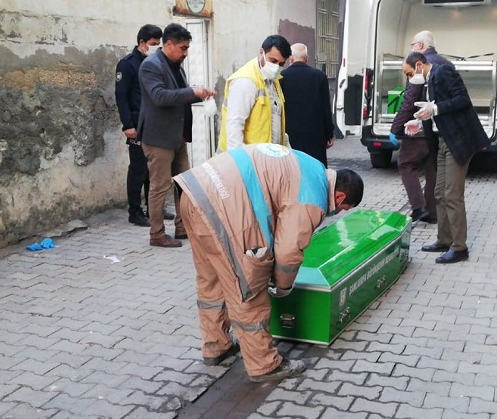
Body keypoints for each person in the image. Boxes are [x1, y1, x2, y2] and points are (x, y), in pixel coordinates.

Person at [173, 144, 364, 382]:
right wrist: (283, 287)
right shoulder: (313, 197)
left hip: (193, 193)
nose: (339, 211)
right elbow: (288, 251)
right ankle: (264, 364)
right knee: (250, 288)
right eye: (344, 208)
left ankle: (216, 346)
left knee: (211, 280)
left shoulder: (311, 166)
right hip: (226, 208)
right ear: (340, 196)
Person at [405, 51, 489, 264]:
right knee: (439, 192)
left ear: (418, 65)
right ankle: (444, 239)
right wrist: (419, 122)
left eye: (408, 73)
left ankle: (460, 247)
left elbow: (462, 100)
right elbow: (432, 112)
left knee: (452, 194)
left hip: (457, 141)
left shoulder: (443, 72)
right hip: (442, 141)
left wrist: (436, 108)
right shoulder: (429, 80)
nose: (409, 79)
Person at [138, 23, 217, 248]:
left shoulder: (176, 65)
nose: (186, 53)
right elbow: (160, 97)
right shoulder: (150, 66)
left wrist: (200, 95)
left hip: (177, 136)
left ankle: (182, 229)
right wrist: (192, 92)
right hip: (158, 137)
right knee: (160, 187)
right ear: (169, 44)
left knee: (185, 184)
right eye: (183, 48)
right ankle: (157, 234)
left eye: (187, 48)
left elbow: (179, 96)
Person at [115, 24, 174, 226]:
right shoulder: (127, 64)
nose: (156, 48)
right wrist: (127, 125)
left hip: (154, 124)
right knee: (138, 169)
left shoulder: (157, 64)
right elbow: (121, 97)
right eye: (153, 44)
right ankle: (135, 211)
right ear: (142, 43)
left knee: (155, 169)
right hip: (137, 125)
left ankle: (154, 209)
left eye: (159, 45)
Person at [218, 35, 293, 151]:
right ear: (261, 52)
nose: (276, 67)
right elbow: (234, 125)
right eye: (273, 61)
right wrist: (241, 161)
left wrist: (287, 148)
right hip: (249, 160)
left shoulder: (274, 80)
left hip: (267, 157)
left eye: (281, 64)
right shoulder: (246, 81)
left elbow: (275, 122)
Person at [389, 70, 437, 224]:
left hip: (416, 131)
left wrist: (395, 130)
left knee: (405, 164)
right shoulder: (438, 71)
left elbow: (407, 106)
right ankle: (433, 212)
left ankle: (419, 207)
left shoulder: (417, 80)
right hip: (434, 131)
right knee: (432, 170)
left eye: (408, 73)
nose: (408, 77)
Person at [280, 43, 335, 167]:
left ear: (291, 58)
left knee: (293, 167)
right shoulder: (319, 77)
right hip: (315, 135)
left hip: (290, 133)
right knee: (315, 167)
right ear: (307, 58)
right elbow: (326, 107)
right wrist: (329, 133)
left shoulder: (281, 77)